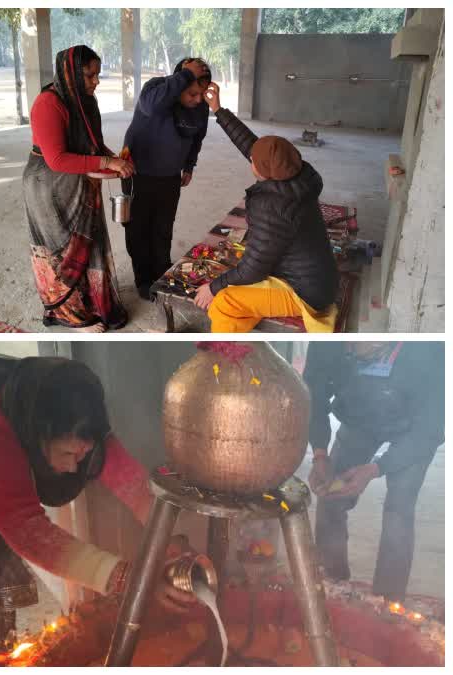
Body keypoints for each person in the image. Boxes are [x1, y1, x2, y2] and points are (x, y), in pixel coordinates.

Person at [0, 355, 197, 647]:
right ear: (34, 434)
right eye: (68, 455)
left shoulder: (71, 414)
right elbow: (30, 532)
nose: (73, 469)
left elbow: (134, 486)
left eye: (80, 457)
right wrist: (131, 580)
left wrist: (174, 541)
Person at [193, 82, 339, 332]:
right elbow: (255, 147)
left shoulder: (272, 208)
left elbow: (253, 269)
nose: (250, 159)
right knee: (235, 289)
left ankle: (227, 358)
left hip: (304, 292)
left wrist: (213, 286)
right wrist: (218, 109)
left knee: (223, 302)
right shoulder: (298, 174)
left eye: (253, 161)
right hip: (318, 276)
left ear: (261, 171)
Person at [304, 342, 444, 602]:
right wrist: (320, 453)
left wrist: (376, 468)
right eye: (348, 350)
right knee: (330, 495)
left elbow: (431, 429)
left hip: (413, 428)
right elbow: (314, 394)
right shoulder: (329, 342)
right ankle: (333, 586)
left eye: (362, 354)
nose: (351, 351)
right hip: (359, 419)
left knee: (398, 510)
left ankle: (388, 603)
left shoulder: (431, 350)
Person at [24, 45, 133, 332]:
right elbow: (58, 158)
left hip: (82, 183)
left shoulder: (86, 101)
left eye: (97, 75)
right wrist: (107, 161)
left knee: (90, 243)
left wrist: (116, 162)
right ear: (70, 73)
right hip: (49, 186)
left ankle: (94, 303)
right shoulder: (48, 104)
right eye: (89, 76)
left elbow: (93, 146)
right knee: (61, 252)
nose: (95, 82)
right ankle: (68, 315)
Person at [121, 58, 211, 300]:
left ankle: (161, 273)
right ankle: (143, 280)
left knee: (163, 228)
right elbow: (150, 107)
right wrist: (184, 76)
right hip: (138, 174)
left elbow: (197, 137)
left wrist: (189, 165)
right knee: (138, 230)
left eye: (201, 94)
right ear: (179, 84)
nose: (198, 100)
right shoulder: (156, 90)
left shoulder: (200, 108)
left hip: (169, 177)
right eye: (192, 94)